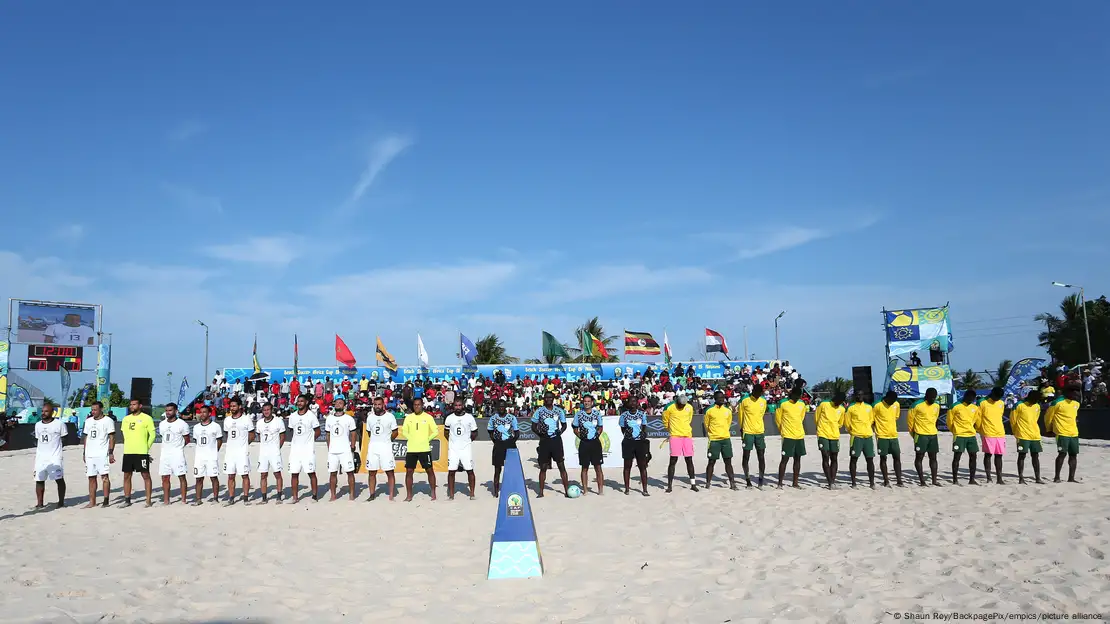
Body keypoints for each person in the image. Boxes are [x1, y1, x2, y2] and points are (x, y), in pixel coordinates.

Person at [530, 391, 570, 498]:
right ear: (544, 399)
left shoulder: (559, 411)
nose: (548, 399)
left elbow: (564, 425)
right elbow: (533, 426)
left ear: (553, 399)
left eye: (550, 398)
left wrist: (560, 432)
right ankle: (541, 492)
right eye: (546, 398)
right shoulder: (539, 411)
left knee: (561, 465)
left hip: (556, 440)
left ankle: (566, 490)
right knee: (543, 467)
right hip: (544, 441)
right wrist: (540, 434)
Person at [401, 397, 439, 501]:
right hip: (412, 449)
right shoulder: (409, 418)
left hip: (424, 448)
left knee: (429, 470)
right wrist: (411, 438)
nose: (417, 406)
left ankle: (433, 492)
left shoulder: (428, 417)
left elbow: (435, 431)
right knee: (409, 471)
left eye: (418, 405)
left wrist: (427, 439)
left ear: (422, 405)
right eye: (415, 405)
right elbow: (404, 431)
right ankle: (409, 495)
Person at [120, 399, 156, 507]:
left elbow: (153, 435)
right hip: (128, 452)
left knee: (145, 475)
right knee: (127, 475)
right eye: (130, 404)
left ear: (140, 406)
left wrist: (146, 448)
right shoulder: (126, 419)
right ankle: (127, 500)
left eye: (134, 404)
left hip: (141, 452)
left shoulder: (147, 418)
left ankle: (148, 500)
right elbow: (124, 434)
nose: (132, 406)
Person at [287, 394, 321, 503]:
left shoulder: (311, 416)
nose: (300, 403)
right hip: (295, 450)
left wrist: (309, 441)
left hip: (308, 450)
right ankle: (295, 497)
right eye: (298, 401)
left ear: (306, 402)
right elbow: (292, 431)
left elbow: (318, 431)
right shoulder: (292, 416)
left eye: (302, 401)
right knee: (294, 473)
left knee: (311, 472)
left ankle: (315, 496)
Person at [444, 397, 479, 500]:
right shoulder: (449, 418)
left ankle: (472, 494)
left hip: (466, 448)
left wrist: (467, 441)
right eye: (456, 405)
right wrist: (453, 442)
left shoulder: (469, 417)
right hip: (453, 449)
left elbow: (475, 433)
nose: (458, 407)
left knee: (469, 470)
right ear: (453, 406)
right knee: (451, 471)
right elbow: (446, 433)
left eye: (459, 405)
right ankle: (451, 495)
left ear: (463, 406)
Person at [365, 395, 399, 501]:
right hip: (373, 448)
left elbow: (395, 432)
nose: (377, 406)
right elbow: (369, 432)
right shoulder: (370, 417)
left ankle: (391, 495)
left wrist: (388, 440)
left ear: (383, 405)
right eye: (375, 405)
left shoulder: (390, 416)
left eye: (379, 404)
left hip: (386, 447)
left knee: (389, 471)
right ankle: (372, 494)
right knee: (371, 472)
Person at [663, 391, 698, 492]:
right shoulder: (669, 407)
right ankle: (669, 486)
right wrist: (671, 430)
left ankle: (693, 484)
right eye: (680, 405)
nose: (682, 406)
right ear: (677, 401)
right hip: (675, 436)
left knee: (689, 460)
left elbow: (689, 419)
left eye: (684, 405)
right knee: (673, 460)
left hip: (687, 435)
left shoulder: (689, 407)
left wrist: (684, 429)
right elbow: (665, 421)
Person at [82, 401, 115, 508]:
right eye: (92, 409)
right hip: (90, 454)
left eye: (95, 409)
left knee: (104, 477)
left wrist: (111, 452)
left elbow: (112, 437)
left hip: (102, 453)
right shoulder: (88, 421)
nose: (93, 411)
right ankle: (92, 501)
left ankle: (106, 500)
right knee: (91, 478)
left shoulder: (108, 421)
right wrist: (84, 452)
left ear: (101, 409)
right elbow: (86, 437)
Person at [34, 403, 67, 508]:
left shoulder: (59, 424)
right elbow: (37, 439)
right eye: (42, 411)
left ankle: (61, 501)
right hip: (40, 458)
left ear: (52, 412)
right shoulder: (38, 425)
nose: (43, 413)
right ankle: (40, 503)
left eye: (46, 411)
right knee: (39, 480)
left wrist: (57, 450)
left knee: (59, 479)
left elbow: (64, 438)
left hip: (55, 457)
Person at [702, 390, 737, 490]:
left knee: (728, 462)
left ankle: (732, 483)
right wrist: (712, 434)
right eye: (719, 398)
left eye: (723, 397)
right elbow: (707, 424)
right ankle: (708, 483)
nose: (722, 399)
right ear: (715, 399)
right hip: (714, 440)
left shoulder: (728, 411)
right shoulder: (709, 411)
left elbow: (729, 423)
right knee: (711, 462)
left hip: (726, 439)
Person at [157, 403, 191, 505]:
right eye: (166, 410)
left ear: (176, 411)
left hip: (177, 454)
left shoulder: (182, 424)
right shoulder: (162, 424)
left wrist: (178, 447)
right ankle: (166, 500)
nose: (168, 412)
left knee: (181, 476)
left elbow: (187, 439)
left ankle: (183, 500)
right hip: (165, 455)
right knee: (165, 477)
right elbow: (163, 437)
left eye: (170, 410)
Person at [222, 397, 255, 504]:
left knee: (244, 475)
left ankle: (245, 498)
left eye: (234, 406)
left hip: (242, 452)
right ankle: (231, 497)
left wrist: (244, 445)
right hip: (230, 453)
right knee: (230, 475)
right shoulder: (227, 420)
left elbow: (252, 435)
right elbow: (227, 435)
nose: (232, 408)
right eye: (231, 406)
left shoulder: (246, 419)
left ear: (240, 406)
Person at [572, 394, 606, 495]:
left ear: (592, 403)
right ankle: (585, 490)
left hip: (595, 443)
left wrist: (597, 434)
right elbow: (574, 428)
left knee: (598, 467)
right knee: (584, 467)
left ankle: (600, 490)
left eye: (588, 401)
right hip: (584, 443)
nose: (586, 403)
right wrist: (580, 436)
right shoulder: (578, 414)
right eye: (585, 401)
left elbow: (600, 427)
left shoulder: (597, 414)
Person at [325, 398, 358, 501]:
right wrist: (329, 447)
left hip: (345, 450)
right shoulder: (329, 418)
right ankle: (333, 495)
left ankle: (352, 494)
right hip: (333, 451)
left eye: (341, 403)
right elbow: (328, 434)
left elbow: (353, 433)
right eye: (337, 403)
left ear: (344, 406)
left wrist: (352, 446)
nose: (338, 405)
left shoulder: (349, 419)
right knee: (332, 473)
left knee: (350, 472)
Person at [907, 388, 942, 486]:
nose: (933, 400)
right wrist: (914, 435)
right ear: (926, 396)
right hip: (920, 435)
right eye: (931, 398)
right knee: (919, 457)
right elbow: (910, 422)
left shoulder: (936, 406)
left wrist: (934, 430)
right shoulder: (916, 405)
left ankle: (934, 480)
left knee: (933, 457)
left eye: (934, 398)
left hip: (933, 435)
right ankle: (922, 481)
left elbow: (935, 419)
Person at [1045, 389, 1081, 483]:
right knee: (1062, 454)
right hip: (1061, 432)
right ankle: (1057, 477)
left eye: (1077, 392)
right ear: (1068, 392)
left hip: (1074, 433)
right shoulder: (1057, 403)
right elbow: (1048, 417)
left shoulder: (1076, 404)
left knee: (1073, 455)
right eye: (1074, 392)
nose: (1076, 394)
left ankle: (1071, 478)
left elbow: (1075, 417)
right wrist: (1049, 429)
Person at [775, 388, 807, 489]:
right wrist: (783, 431)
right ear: (791, 394)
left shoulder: (802, 404)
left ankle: (795, 483)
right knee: (785, 459)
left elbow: (801, 417)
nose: (797, 398)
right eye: (796, 396)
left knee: (798, 459)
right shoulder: (783, 403)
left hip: (799, 435)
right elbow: (778, 419)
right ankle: (780, 483)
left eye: (799, 396)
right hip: (788, 435)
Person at [618, 397, 651, 496]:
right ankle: (627, 488)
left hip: (640, 442)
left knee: (642, 466)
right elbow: (623, 428)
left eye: (634, 401)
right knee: (627, 466)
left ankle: (645, 489)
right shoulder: (624, 415)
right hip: (628, 442)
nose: (632, 403)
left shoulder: (642, 414)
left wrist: (641, 435)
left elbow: (644, 427)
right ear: (628, 403)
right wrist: (628, 436)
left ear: (637, 403)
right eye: (630, 401)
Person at [813, 392, 846, 489]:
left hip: (835, 436)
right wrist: (820, 429)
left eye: (840, 402)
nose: (838, 404)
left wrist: (833, 427)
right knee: (825, 455)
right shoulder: (824, 404)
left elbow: (840, 423)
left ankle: (833, 480)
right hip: (823, 434)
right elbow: (816, 418)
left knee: (834, 458)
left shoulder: (842, 409)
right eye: (837, 402)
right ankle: (830, 481)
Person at [947, 389, 981, 485]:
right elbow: (949, 421)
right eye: (969, 398)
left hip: (971, 435)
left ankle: (972, 479)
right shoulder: (955, 406)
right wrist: (955, 431)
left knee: (973, 456)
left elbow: (975, 420)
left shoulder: (975, 408)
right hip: (959, 435)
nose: (971, 400)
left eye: (973, 398)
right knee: (957, 456)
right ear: (965, 396)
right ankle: (955, 479)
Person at [487, 400, 519, 498]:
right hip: (498, 444)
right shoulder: (493, 418)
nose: (501, 408)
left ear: (505, 407)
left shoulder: (511, 418)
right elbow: (490, 431)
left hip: (509, 443)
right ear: (497, 407)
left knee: (512, 469)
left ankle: (512, 488)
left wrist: (512, 442)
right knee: (497, 469)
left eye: (503, 406)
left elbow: (517, 432)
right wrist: (496, 441)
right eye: (499, 406)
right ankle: (496, 491)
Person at [844, 391, 877, 489]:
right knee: (854, 459)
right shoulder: (851, 408)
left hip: (868, 437)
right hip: (856, 437)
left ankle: (872, 483)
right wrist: (854, 431)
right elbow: (847, 423)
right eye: (858, 395)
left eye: (861, 394)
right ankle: (853, 483)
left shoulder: (869, 407)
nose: (860, 396)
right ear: (855, 396)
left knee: (870, 460)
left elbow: (871, 420)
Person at [1011, 390, 1044, 484]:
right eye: (1035, 399)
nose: (1036, 401)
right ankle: (1021, 478)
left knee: (1035, 456)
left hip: (1035, 435)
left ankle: (1038, 478)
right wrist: (1016, 433)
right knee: (1022, 455)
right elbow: (1013, 420)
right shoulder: (1019, 405)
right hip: (1022, 435)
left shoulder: (1037, 406)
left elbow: (1035, 419)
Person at [255, 402, 286, 502]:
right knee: (263, 474)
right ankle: (264, 498)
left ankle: (279, 496)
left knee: (277, 474)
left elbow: (282, 436)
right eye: (264, 410)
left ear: (271, 410)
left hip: (274, 452)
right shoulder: (259, 423)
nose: (266, 412)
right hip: (263, 453)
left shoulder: (278, 421)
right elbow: (259, 436)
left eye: (268, 410)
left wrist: (277, 448)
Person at [191, 405, 223, 504]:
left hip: (211, 457)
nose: (202, 414)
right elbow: (196, 441)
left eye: (204, 412)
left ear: (209, 414)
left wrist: (214, 451)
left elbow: (219, 440)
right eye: (201, 412)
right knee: (199, 478)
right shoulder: (196, 427)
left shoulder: (215, 426)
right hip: (199, 457)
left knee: (213, 477)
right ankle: (198, 499)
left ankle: (215, 498)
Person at [738, 385, 768, 487]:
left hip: (760, 432)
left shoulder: (763, 401)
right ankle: (747, 480)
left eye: (760, 393)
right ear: (753, 391)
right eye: (757, 393)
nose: (758, 395)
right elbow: (741, 416)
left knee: (761, 456)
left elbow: (762, 414)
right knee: (746, 456)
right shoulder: (745, 400)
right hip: (747, 432)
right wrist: (742, 431)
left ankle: (760, 479)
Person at [873, 391, 904, 487]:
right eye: (891, 400)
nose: (893, 402)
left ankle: (899, 480)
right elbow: (872, 420)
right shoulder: (877, 406)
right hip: (882, 436)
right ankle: (886, 480)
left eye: (894, 401)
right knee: (883, 458)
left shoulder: (896, 404)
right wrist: (877, 430)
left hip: (894, 435)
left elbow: (896, 417)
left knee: (897, 457)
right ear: (886, 398)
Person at [977, 387, 1007, 485]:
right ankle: (989, 477)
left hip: (1000, 432)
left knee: (999, 455)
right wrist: (980, 430)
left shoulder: (1001, 403)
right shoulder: (982, 402)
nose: (997, 398)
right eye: (996, 396)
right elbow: (978, 418)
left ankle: (999, 478)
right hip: (987, 432)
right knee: (988, 454)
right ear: (992, 393)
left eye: (999, 397)